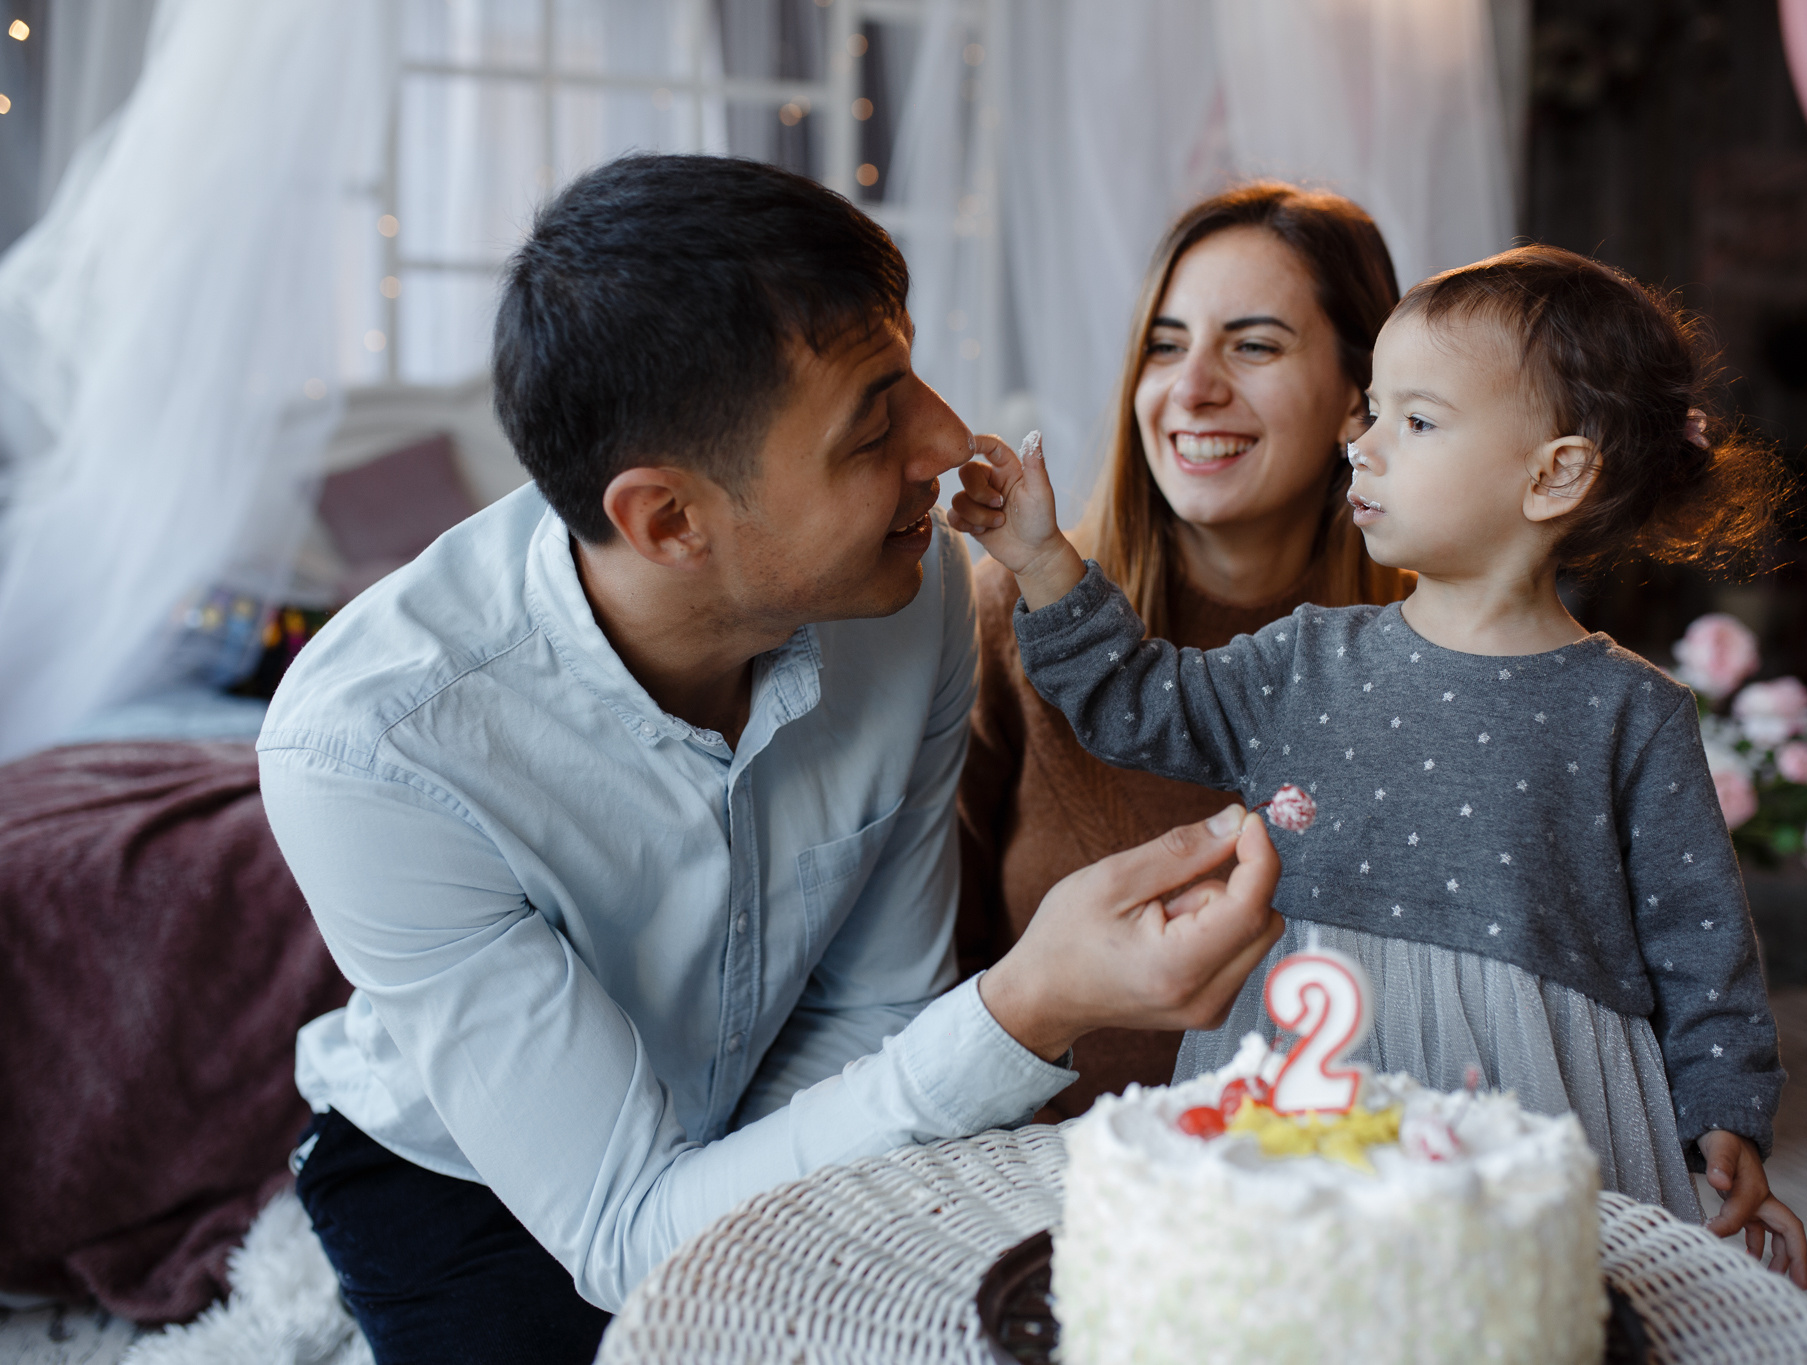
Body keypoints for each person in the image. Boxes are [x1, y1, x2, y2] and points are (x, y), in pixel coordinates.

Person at [258, 154, 1284, 1365]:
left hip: (785, 1096)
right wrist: (1027, 1005)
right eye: (872, 425)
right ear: (669, 521)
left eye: (914, 378)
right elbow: (631, 1231)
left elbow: (869, 1004)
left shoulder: (912, 595)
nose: (951, 441)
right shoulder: (372, 751)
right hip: (466, 1180)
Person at [948, 244, 1807, 1285]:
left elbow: (1697, 933)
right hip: (1302, 1069)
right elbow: (1135, 700)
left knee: (1502, 1316)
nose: (1362, 447)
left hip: (1535, 1094)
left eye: (1417, 421)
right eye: (1369, 413)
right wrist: (1043, 559)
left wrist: (1726, 1109)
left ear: (1555, 474)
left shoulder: (1628, 709)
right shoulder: (1306, 660)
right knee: (1288, 1305)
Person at [956, 184, 1413, 1121]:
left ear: (1354, 399)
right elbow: (925, 984)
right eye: (1165, 346)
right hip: (1046, 1195)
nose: (1192, 387)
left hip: (1352, 1194)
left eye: (1253, 344)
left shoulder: (1433, 648)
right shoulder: (1011, 613)